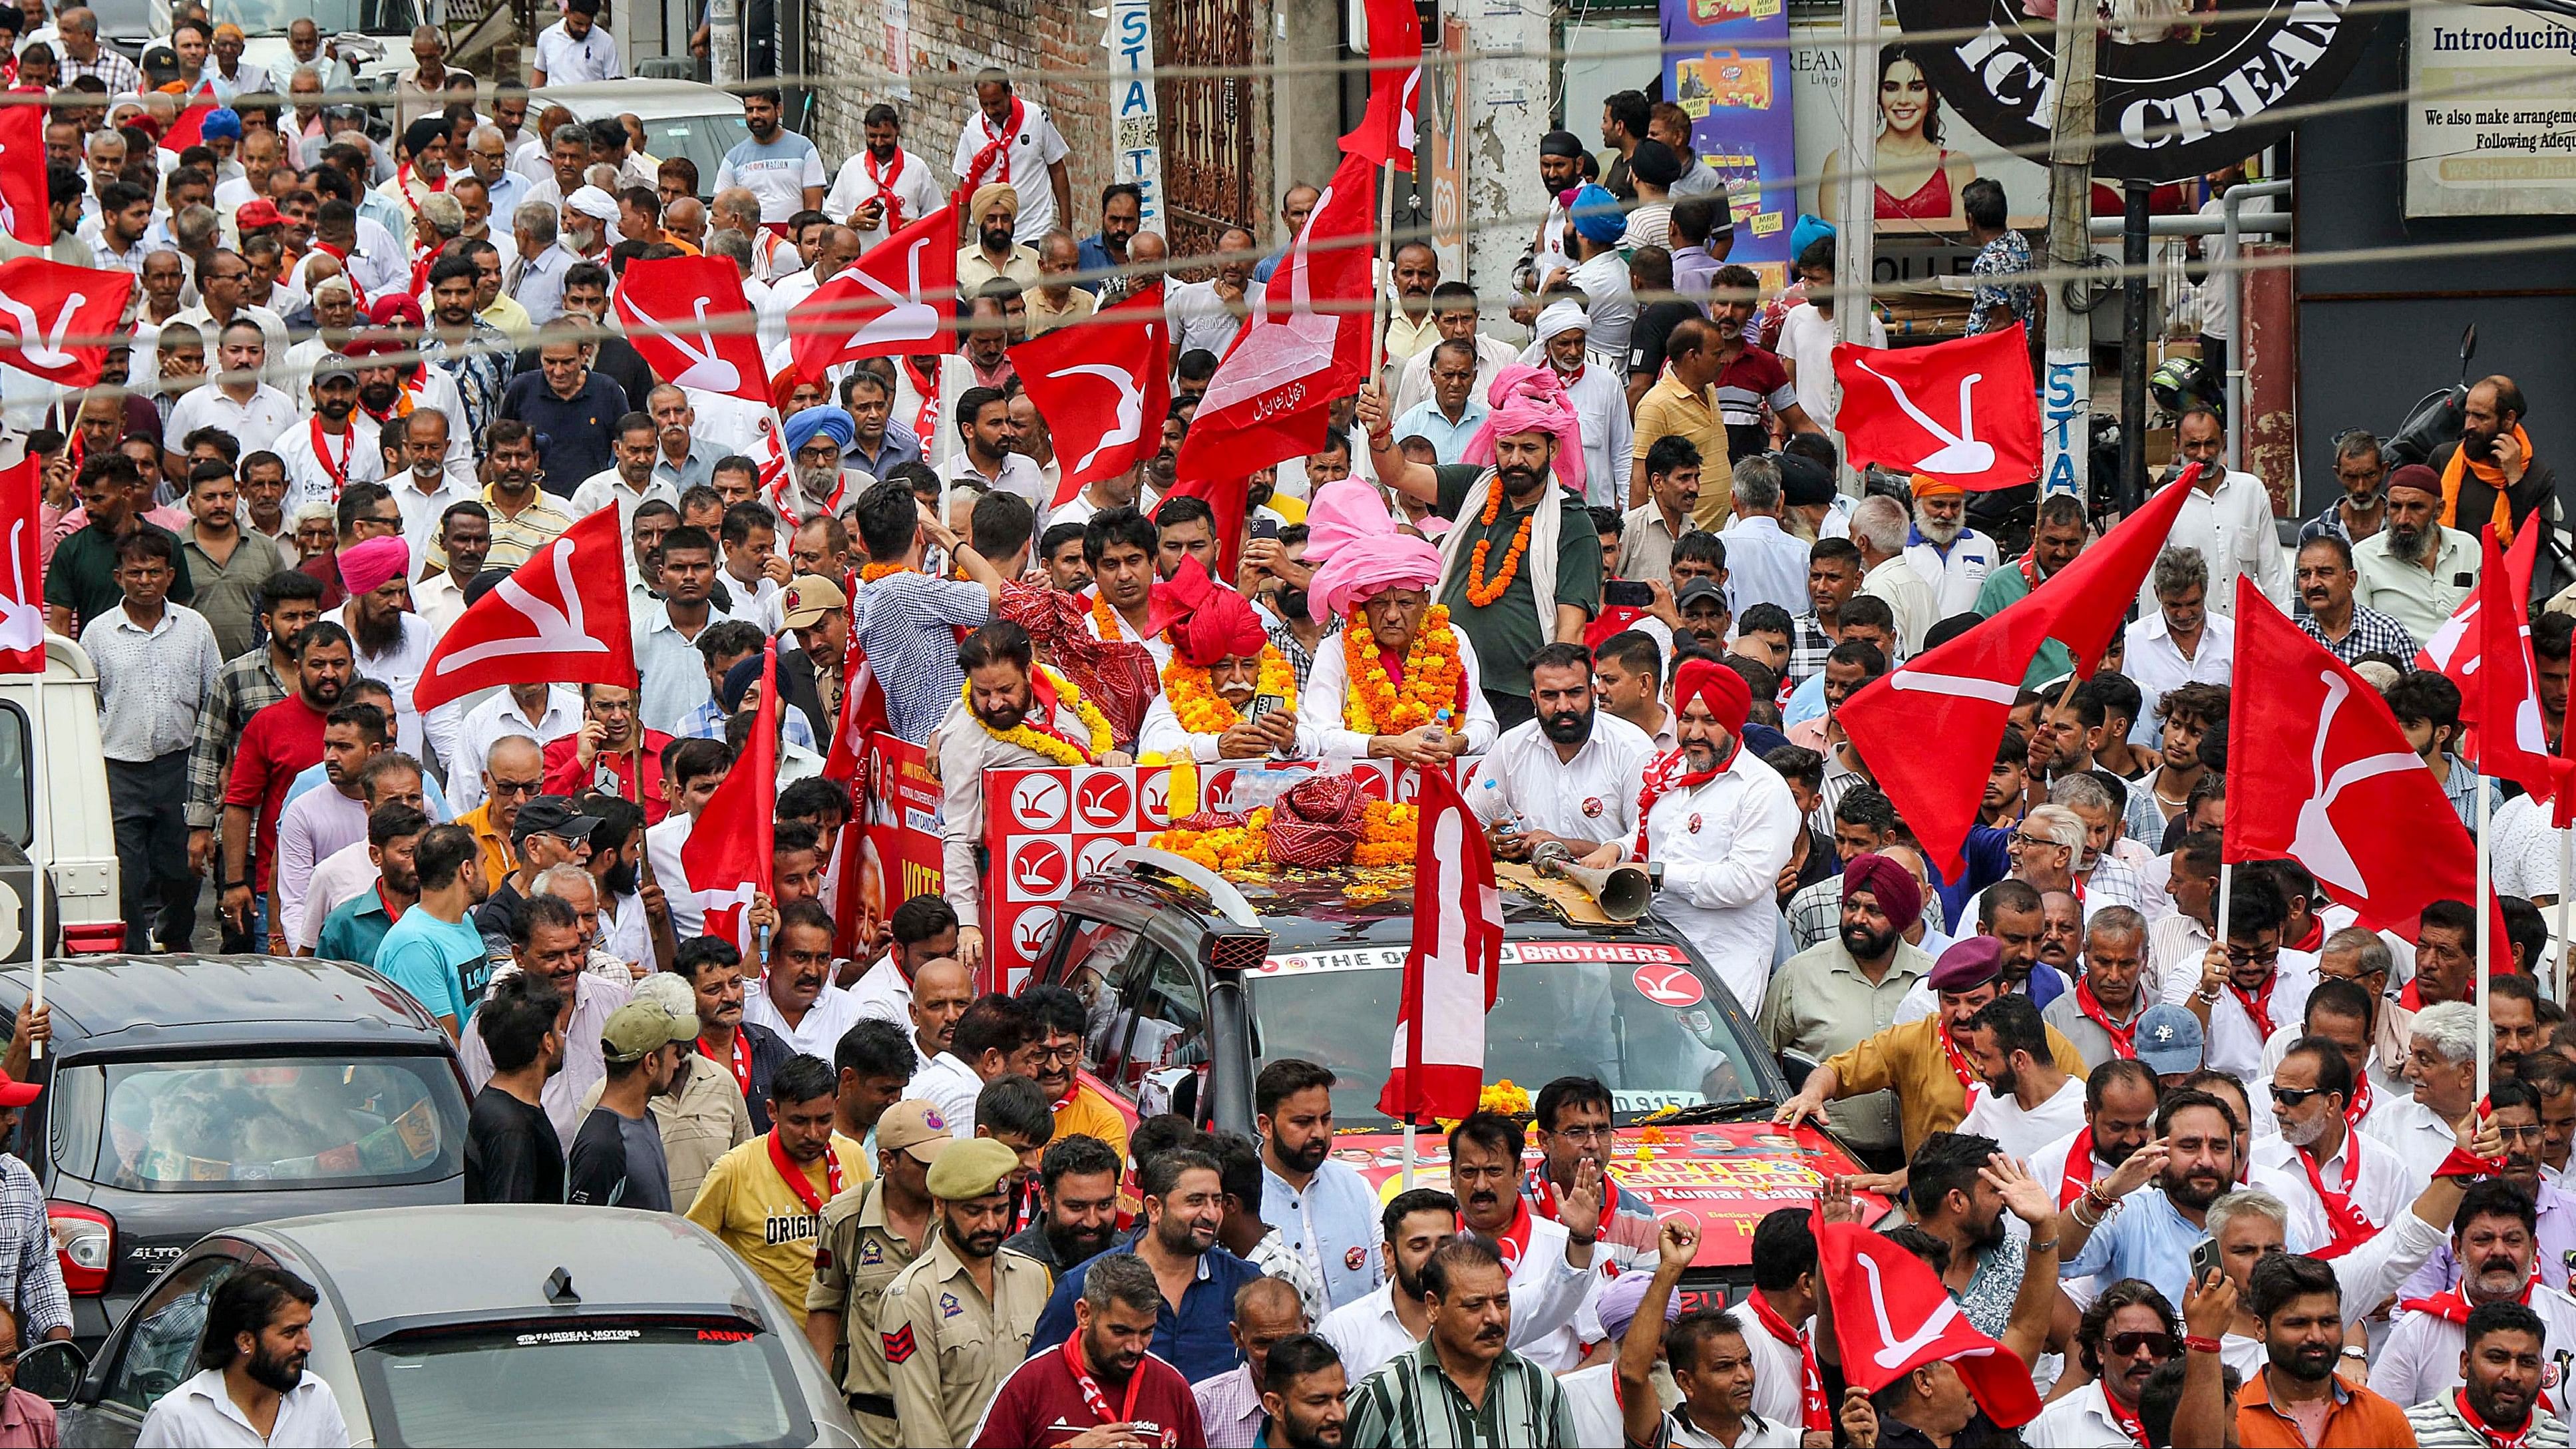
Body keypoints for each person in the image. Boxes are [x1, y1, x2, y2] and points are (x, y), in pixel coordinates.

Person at [1777, 936, 2088, 1163]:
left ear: (2002, 991)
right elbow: (1837, 1070)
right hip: (1932, 1213)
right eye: (1951, 1002)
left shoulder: (2038, 1039)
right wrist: (1812, 1094)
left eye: (1976, 1001)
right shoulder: (1914, 1041)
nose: (1963, 1013)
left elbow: (2082, 1106)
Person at [85, 530, 221, 952]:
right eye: (135, 572)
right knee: (126, 874)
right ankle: (133, 954)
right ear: (118, 577)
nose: (145, 581)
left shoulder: (194, 627)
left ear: (169, 575)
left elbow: (213, 694)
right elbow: (88, 703)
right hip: (119, 769)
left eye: (154, 572)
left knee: (184, 868)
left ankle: (174, 940)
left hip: (179, 766)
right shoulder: (97, 634)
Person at [1029, 1147, 1266, 1382]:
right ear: (1154, 1208)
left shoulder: (1245, 1283)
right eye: (1195, 1202)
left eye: (1217, 1201)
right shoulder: (1082, 1284)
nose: (1212, 1214)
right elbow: (1039, 1381)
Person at [878, 1136, 1051, 1448]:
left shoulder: (1033, 1277)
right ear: (940, 1206)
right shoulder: (912, 1296)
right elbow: (922, 1426)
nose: (990, 1224)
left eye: (1000, 1210)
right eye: (974, 1211)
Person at [1342, 1236, 1580, 1448]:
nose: (1494, 1318)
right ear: (1434, 1307)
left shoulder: (1539, 1388)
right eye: (1474, 1306)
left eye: (1502, 1302)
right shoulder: (1385, 1393)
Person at [687, 1054, 870, 1311]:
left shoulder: (854, 1156)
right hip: (769, 1340)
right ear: (773, 1111)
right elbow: (692, 1250)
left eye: (824, 1120)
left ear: (836, 1107)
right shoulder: (735, 1169)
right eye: (799, 1121)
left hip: (842, 1334)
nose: (813, 1134)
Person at [970, 1254, 1205, 1448]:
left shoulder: (1173, 1388)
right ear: (1084, 1314)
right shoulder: (1030, 1384)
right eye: (1120, 1331)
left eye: (1146, 1332)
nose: (1135, 1346)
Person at [1466, 642, 1654, 863]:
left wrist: (1564, 846)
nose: (1564, 706)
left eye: (1575, 693)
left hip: (1609, 891)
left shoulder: (1632, 748)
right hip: (1524, 889)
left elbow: (1647, 842)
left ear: (1593, 694)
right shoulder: (1511, 747)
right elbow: (1466, 825)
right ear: (1534, 699)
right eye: (1550, 696)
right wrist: (1490, 840)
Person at [134, 1267, 348, 1449]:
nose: (306, 1345)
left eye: (306, 1328)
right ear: (246, 1341)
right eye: (291, 1333)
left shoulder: (316, 1397)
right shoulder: (175, 1419)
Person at [2235, 1251, 2419, 1446]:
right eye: (2298, 1323)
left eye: (2328, 1322)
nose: (2316, 1336)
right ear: (2260, 1328)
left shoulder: (2384, 1420)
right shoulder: (2233, 1423)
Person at [1256, 1060, 1384, 1315]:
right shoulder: (1236, 1197)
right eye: (1303, 1122)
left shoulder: (1356, 1187)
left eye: (1325, 1119)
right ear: (1266, 1126)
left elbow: (1386, 1285)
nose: (1319, 1133)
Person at [2154, 407, 2293, 618]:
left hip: (2245, 631)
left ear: (2223, 442)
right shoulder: (2164, 503)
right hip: (2191, 631)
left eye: (2210, 444)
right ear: (2177, 446)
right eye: (2193, 445)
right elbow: (2155, 582)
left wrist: (2288, 627)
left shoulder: (2251, 491)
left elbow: (2272, 571)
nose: (2203, 454)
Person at [565, 994, 693, 1211]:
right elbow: (581, 1234)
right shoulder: (603, 1147)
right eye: (675, 1052)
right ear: (650, 1062)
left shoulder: (645, 1117)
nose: (678, 1062)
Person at [2402, 1300, 2568, 1448]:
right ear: (2466, 1364)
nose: (2513, 1374)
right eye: (2497, 1358)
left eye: (2527, 1363)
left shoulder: (2563, 1439)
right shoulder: (2413, 1432)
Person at [462, 971, 565, 1205]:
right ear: (547, 1042)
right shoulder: (512, 1130)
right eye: (558, 1032)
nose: (563, 1040)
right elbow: (511, 1224)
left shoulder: (501, 1106)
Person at [2353, 463, 2480, 646]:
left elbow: (2485, 618)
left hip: (2462, 667)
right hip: (2400, 670)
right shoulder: (2363, 557)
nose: (2403, 519)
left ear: (2439, 510)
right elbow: (2361, 633)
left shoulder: (2468, 547)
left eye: (2416, 507)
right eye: (2396, 507)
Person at [2432, 374, 2556, 543]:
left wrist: (2515, 479)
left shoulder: (2538, 475)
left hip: (2503, 569)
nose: (2469, 425)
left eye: (2481, 417)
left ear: (2508, 419)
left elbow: (2537, 543)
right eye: (2467, 414)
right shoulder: (2444, 457)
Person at [2295, 533, 2418, 664]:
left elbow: (2414, 684)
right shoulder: (2294, 641)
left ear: (2351, 580)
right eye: (2305, 575)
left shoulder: (2388, 634)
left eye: (2325, 573)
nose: (2313, 584)